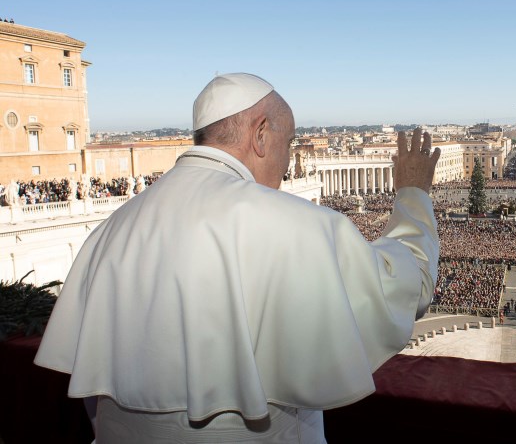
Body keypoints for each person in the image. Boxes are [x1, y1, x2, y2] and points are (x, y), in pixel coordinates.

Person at [34, 72, 442, 443]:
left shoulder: (111, 230)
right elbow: (407, 286)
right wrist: (412, 194)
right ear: (261, 134)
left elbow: (93, 394)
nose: (288, 161)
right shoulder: (296, 225)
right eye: (289, 143)